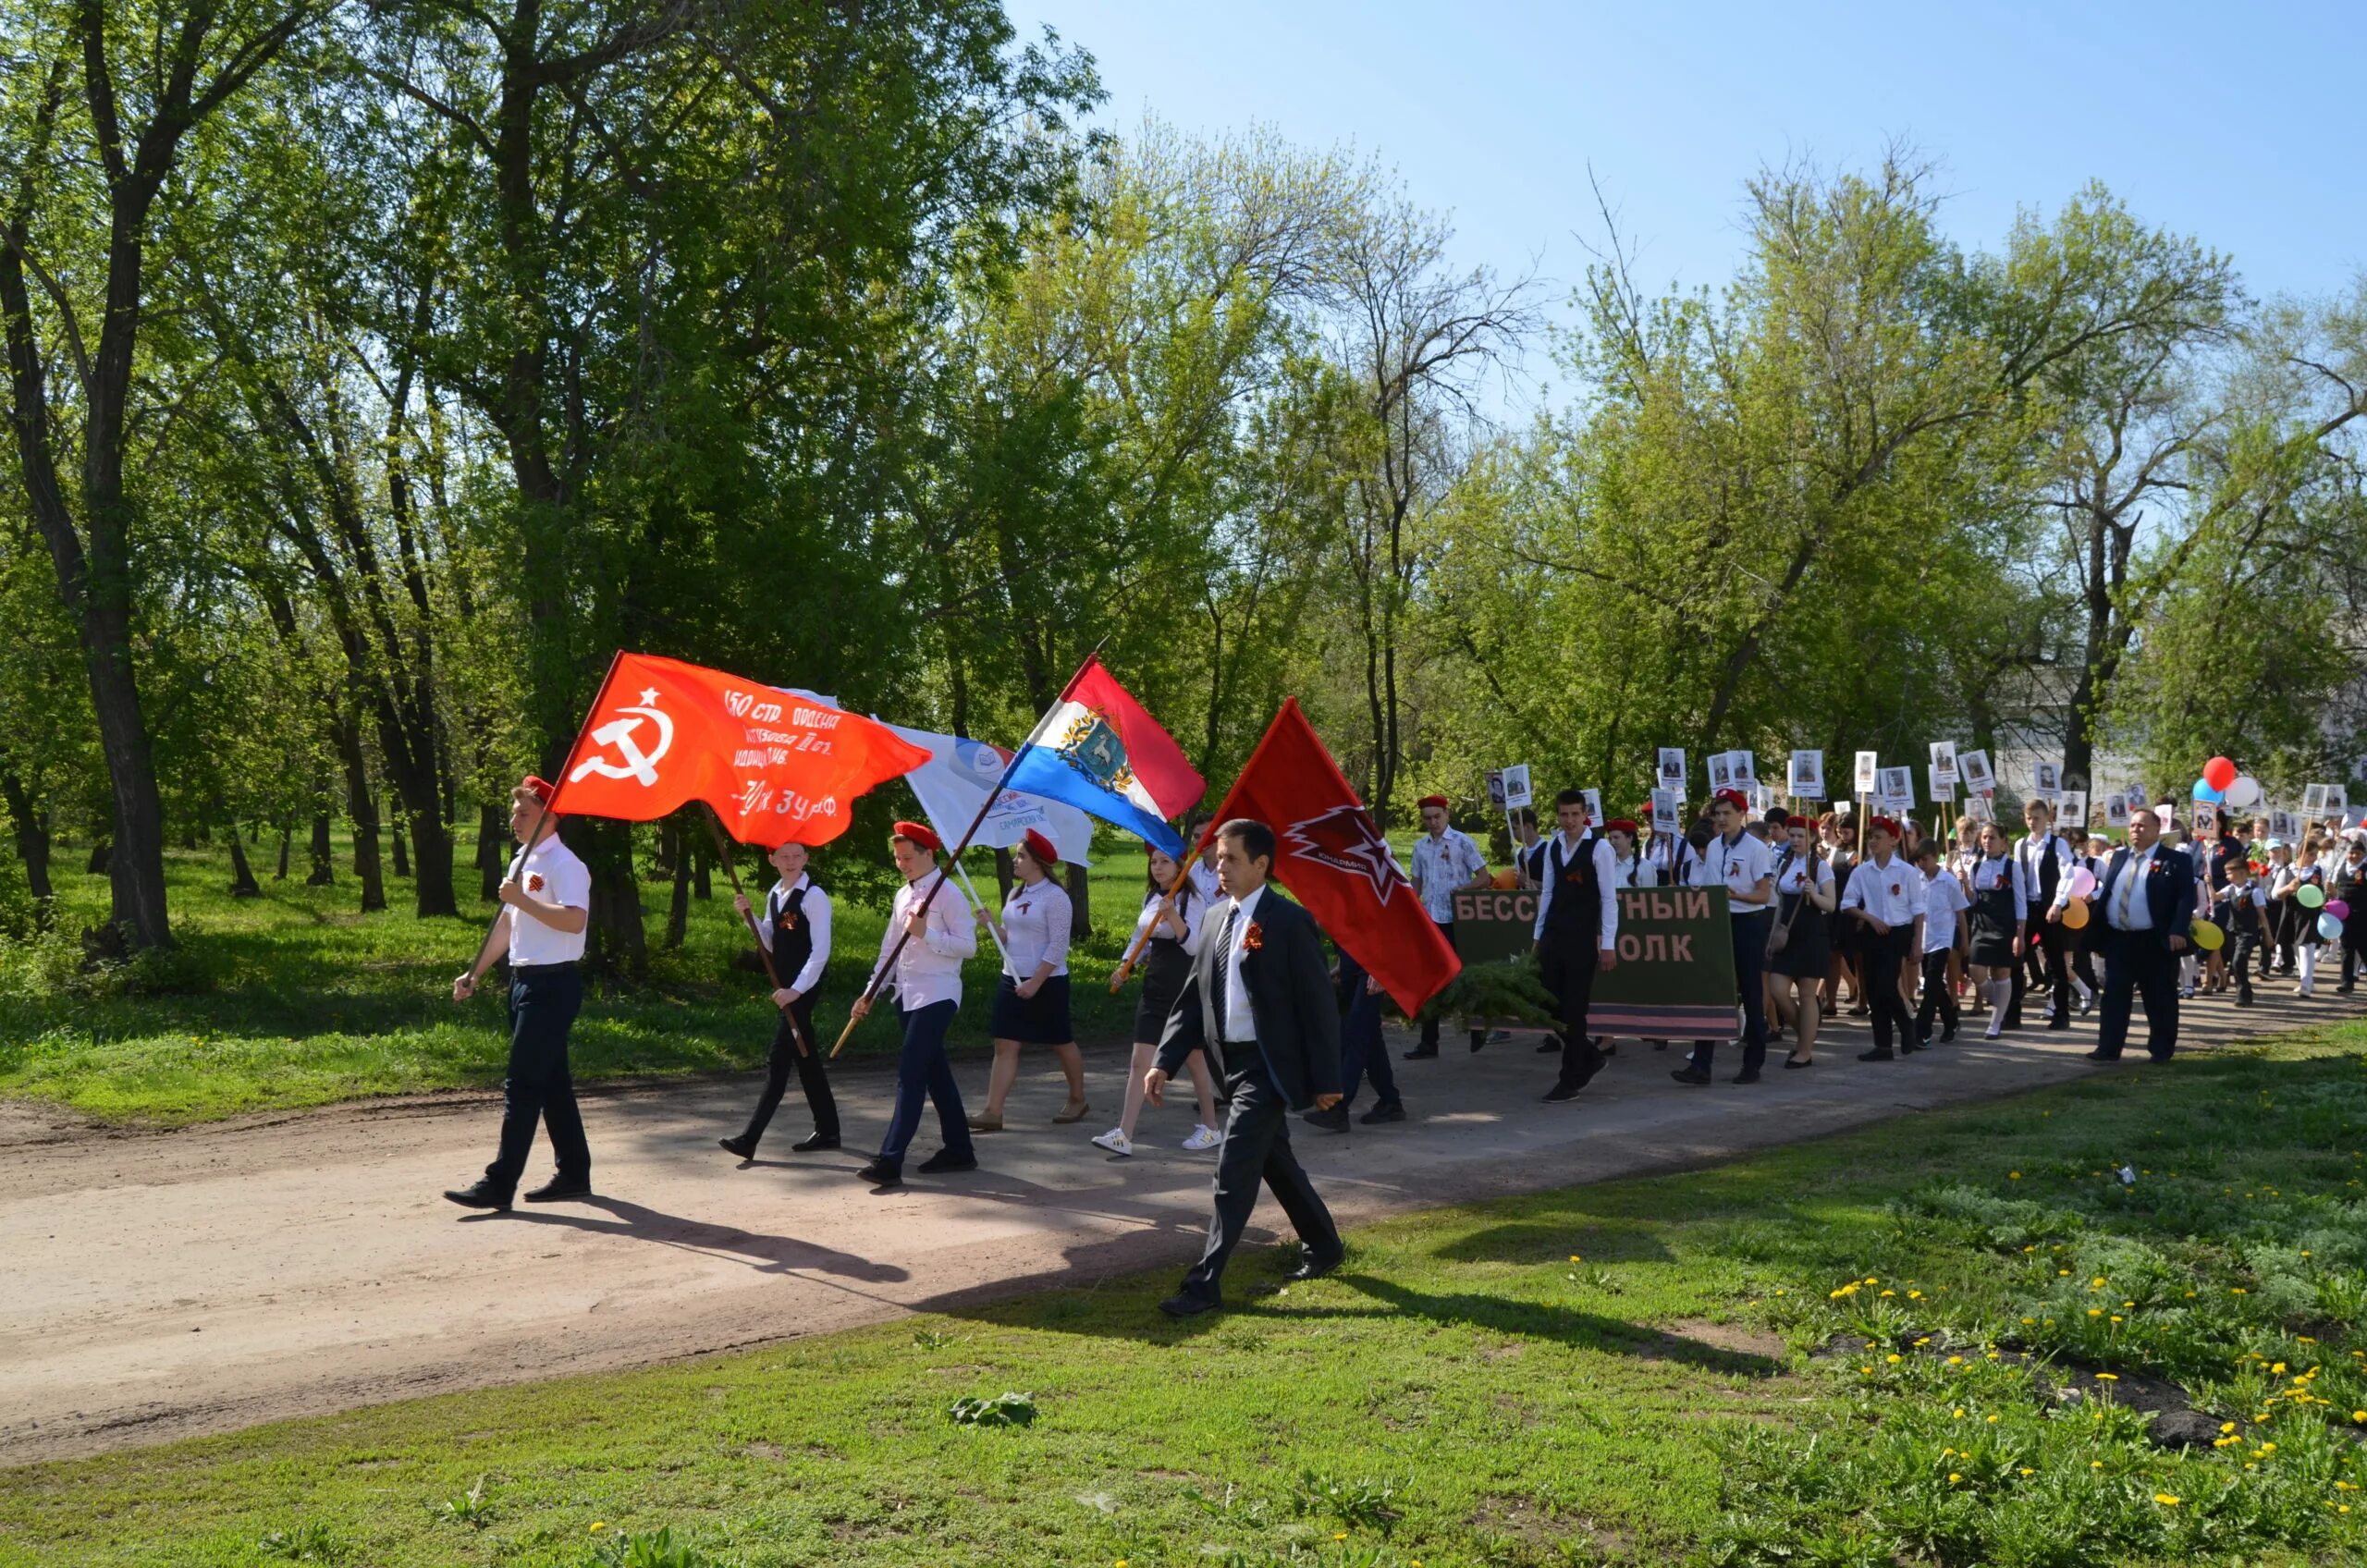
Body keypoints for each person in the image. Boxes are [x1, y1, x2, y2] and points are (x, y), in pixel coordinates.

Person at [1146, 818, 1344, 1317]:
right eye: (1217, 857)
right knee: (1274, 1160)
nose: (1220, 866)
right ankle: (1324, 1245)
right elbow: (1193, 1002)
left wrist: (1327, 1080)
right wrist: (1164, 1063)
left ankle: (1204, 1285)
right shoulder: (1214, 918)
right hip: (1227, 1064)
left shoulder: (1289, 921)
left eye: (1231, 858)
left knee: (1233, 1168)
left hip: (1267, 1066)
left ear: (1261, 864)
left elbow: (1319, 1007)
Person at [444, 776, 595, 1212]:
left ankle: (499, 1183)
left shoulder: (566, 865)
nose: (514, 819)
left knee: (523, 1083)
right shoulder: (521, 863)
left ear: (549, 817)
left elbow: (574, 922)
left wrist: (522, 901)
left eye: (523, 813)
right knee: (552, 1084)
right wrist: (474, 972)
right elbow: (508, 927)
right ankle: (574, 1173)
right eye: (514, 812)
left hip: (555, 985)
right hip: (524, 981)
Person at [849, 822, 979, 1187]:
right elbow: (890, 949)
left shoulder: (949, 893)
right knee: (936, 1074)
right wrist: (870, 991)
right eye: (897, 858)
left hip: (938, 993)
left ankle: (890, 1161)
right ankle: (960, 1149)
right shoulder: (902, 895)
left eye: (908, 857)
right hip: (906, 994)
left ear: (928, 853)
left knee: (911, 1073)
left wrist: (929, 934)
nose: (902, 864)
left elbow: (968, 947)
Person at [1095, 848, 1225, 1158]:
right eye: (1154, 862)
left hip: (1183, 988)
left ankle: (1211, 1128)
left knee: (1194, 1061)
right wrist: (1126, 965)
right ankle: (1123, 1134)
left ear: (1179, 865)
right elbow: (1138, 937)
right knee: (1140, 1061)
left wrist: (1173, 917)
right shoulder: (1151, 897)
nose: (1158, 867)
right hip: (1155, 987)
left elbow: (1194, 945)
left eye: (1165, 861)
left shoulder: (1190, 899)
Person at [717, 839, 840, 1159]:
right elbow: (770, 942)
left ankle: (750, 1138)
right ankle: (828, 1130)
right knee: (806, 1058)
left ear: (806, 858)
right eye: (783, 856)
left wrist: (796, 991)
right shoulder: (775, 894)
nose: (790, 861)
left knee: (778, 1058)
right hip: (786, 987)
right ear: (772, 859)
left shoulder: (814, 896)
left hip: (803, 988)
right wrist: (749, 918)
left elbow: (820, 952)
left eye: (796, 855)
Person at [970, 829, 1088, 1131]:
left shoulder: (1055, 897)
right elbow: (1010, 938)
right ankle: (993, 1111)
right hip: (1011, 978)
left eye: (1021, 855)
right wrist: (991, 925)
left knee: (1060, 1042)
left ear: (1037, 862)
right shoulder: (1015, 893)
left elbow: (1058, 946)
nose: (1015, 860)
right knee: (1004, 1044)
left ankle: (1077, 1099)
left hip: (1047, 981)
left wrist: (1036, 982)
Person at [1673, 789, 1776, 1086]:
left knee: (1750, 992)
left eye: (1727, 813)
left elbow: (1763, 894)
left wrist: (1736, 895)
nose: (1721, 819)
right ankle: (1701, 1064)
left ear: (1741, 814)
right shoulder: (1714, 847)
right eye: (1717, 814)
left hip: (1747, 921)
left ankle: (1753, 1062)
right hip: (1718, 922)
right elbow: (1708, 888)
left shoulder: (1757, 849)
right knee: (1710, 991)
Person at [2088, 804, 2197, 1063]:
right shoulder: (2120, 857)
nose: (2135, 830)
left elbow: (2185, 898)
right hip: (2119, 938)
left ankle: (2160, 1050)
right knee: (2114, 995)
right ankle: (2108, 1048)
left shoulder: (2176, 860)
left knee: (2159, 997)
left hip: (2154, 940)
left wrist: (2178, 929)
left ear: (2157, 829)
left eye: (2142, 825)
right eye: (2133, 825)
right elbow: (2109, 894)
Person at [1530, 790, 1620, 1102]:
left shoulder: (1600, 848)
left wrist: (1607, 943)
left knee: (1574, 1009)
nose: (1569, 820)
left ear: (1585, 815)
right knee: (1546, 1003)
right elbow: (1548, 893)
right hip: (1555, 934)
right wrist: (1537, 936)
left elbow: (1609, 899)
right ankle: (1590, 1056)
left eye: (1574, 814)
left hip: (1583, 939)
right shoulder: (1553, 845)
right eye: (1563, 814)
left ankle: (1570, 1079)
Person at [1406, 794, 1490, 1059]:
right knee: (1431, 977)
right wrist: (1412, 906)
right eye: (1427, 818)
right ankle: (1429, 1042)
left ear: (1447, 814)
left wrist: (1463, 889)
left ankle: (1477, 1026)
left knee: (1463, 974)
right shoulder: (1420, 847)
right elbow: (1416, 882)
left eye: (1437, 817)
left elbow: (1485, 878)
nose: (1433, 822)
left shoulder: (1463, 842)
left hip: (1458, 918)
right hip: (1431, 918)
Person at [1839, 815, 1924, 1061]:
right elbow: (1847, 903)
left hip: (1898, 932)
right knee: (1874, 990)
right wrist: (1869, 918)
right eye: (1871, 837)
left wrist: (1917, 943)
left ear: (1893, 840)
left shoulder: (1907, 871)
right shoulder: (1862, 871)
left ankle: (1906, 1022)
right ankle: (1883, 1045)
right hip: (1873, 931)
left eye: (1879, 837)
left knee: (1887, 984)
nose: (1873, 842)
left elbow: (1918, 910)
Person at [1306, 943, 1405, 1130]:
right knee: (1369, 1036)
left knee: (1355, 1034)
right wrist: (1345, 961)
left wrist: (1382, 969)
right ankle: (1390, 1101)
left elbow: (1388, 928)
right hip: (1355, 963)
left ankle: (1338, 1109)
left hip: (1372, 966)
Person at [1766, 815, 1834, 1068]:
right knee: (1777, 991)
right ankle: (1806, 1033)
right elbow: (1779, 903)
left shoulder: (1820, 866)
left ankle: (1804, 1051)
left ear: (1812, 838)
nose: (1795, 840)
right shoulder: (1783, 863)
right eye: (1791, 835)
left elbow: (1831, 904)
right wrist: (1772, 936)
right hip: (1787, 933)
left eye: (1800, 836)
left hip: (1812, 934)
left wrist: (1814, 893)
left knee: (1807, 995)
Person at [1962, 822, 2030, 1042]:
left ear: (2003, 842)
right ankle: (2002, 1003)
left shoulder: (2013, 867)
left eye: (1991, 837)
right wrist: (1964, 885)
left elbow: (2021, 901)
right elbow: (1972, 901)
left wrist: (2020, 934)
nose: (1987, 841)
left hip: (2005, 924)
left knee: (2001, 973)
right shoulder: (1975, 866)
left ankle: (1995, 1022)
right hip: (1982, 924)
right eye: (1984, 837)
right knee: (1975, 970)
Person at [1911, 838, 1968, 1047]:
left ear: (1935, 857)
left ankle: (1922, 1031)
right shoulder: (1917, 880)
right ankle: (1951, 1021)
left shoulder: (1949, 881)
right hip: (1925, 939)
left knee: (1931, 985)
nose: (1922, 864)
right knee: (1935, 986)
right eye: (1919, 860)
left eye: (1925, 859)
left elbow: (1960, 913)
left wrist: (1964, 941)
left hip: (1943, 940)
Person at [2214, 855, 2267, 1007]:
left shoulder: (2255, 891)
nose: (2227, 876)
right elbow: (2214, 897)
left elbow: (2262, 915)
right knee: (2235, 964)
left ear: (2243, 872)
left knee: (2239, 961)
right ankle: (2244, 990)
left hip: (2248, 933)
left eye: (2230, 873)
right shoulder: (2230, 889)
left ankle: (2243, 994)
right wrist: (2209, 883)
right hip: (2232, 931)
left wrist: (2267, 935)